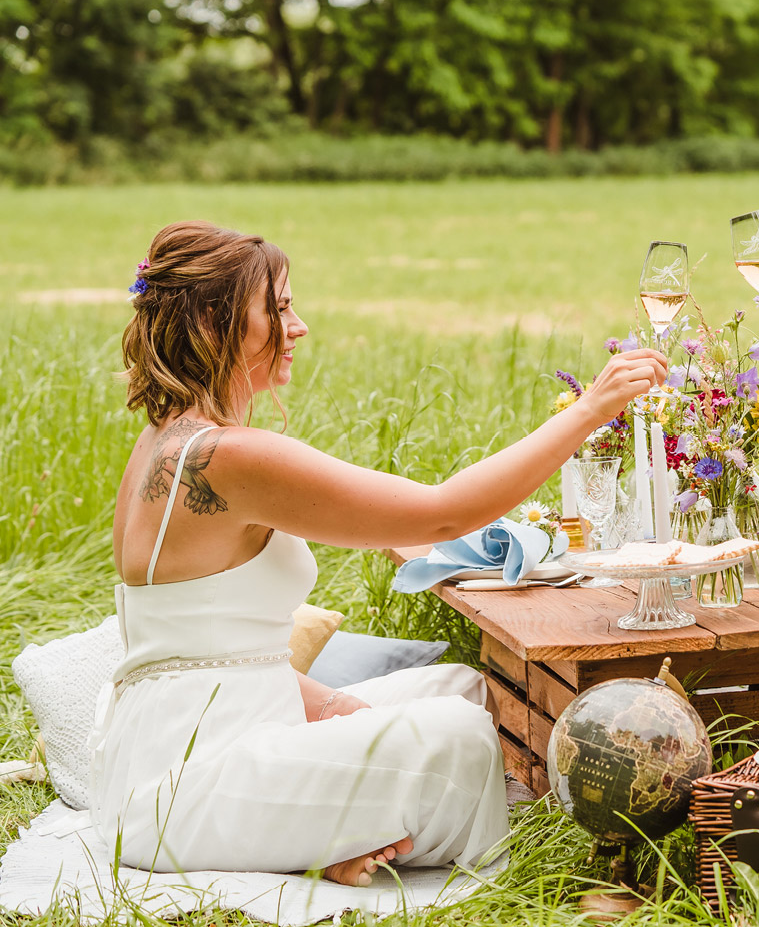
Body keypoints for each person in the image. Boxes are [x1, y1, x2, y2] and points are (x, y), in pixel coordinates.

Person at [97, 220, 667, 885]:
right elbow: (444, 511)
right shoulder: (230, 457)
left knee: (465, 689)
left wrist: (339, 711)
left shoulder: (164, 441)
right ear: (212, 323)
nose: (299, 325)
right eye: (278, 309)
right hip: (186, 785)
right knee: (458, 733)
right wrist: (588, 410)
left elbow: (202, 649)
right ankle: (314, 844)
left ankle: (332, 830)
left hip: (175, 740)